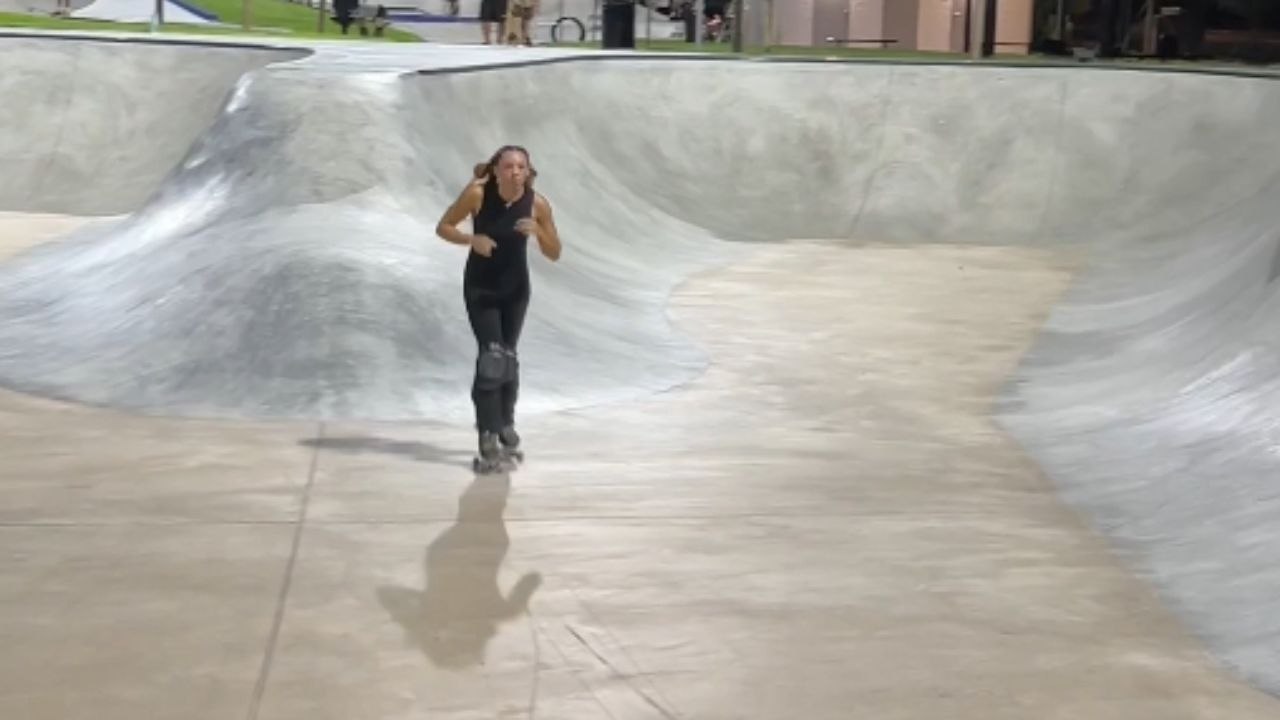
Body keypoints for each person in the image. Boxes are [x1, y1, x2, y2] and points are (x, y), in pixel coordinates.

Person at [435, 145, 562, 470]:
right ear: (496, 170)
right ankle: (487, 432)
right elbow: (444, 226)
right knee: (491, 357)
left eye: (521, 167)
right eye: (508, 166)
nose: (515, 172)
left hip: (516, 290)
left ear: (528, 171)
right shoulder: (477, 194)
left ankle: (505, 422)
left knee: (508, 357)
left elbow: (555, 252)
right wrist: (471, 240)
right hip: (481, 287)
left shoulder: (537, 204)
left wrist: (538, 232)